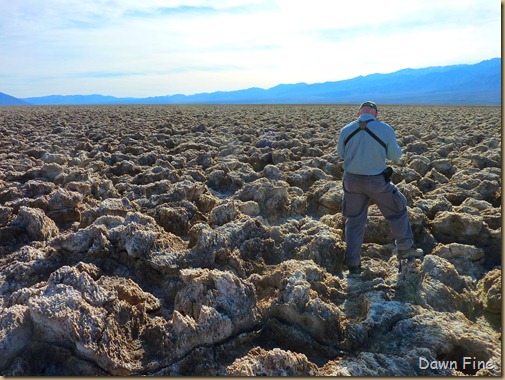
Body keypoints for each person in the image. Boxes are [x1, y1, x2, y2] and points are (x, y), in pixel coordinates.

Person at [337, 101, 423, 275]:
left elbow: (341, 154)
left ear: (358, 114)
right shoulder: (385, 129)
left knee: (354, 221)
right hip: (376, 181)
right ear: (376, 115)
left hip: (351, 181)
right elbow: (394, 155)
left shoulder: (346, 129)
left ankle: (353, 263)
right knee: (397, 210)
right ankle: (405, 249)